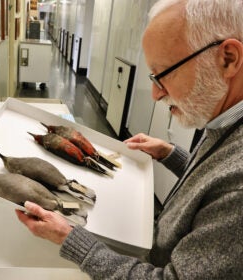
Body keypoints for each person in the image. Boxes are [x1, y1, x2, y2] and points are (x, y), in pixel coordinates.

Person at [16, 0, 243, 279]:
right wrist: (172, 154)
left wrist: (71, 241)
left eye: (164, 74)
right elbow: (213, 184)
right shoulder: (226, 120)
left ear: (228, 58)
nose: (155, 94)